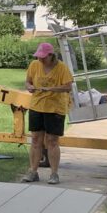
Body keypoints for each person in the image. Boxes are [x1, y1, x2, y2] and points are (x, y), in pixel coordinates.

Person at [22, 42, 73, 185]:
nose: (40, 59)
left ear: (51, 55)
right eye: (39, 56)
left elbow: (68, 87)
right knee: (36, 140)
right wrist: (30, 87)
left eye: (43, 57)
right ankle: (33, 171)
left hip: (55, 108)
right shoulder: (34, 65)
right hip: (37, 106)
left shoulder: (61, 68)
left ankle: (54, 173)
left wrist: (51, 89)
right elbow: (27, 81)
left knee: (52, 141)